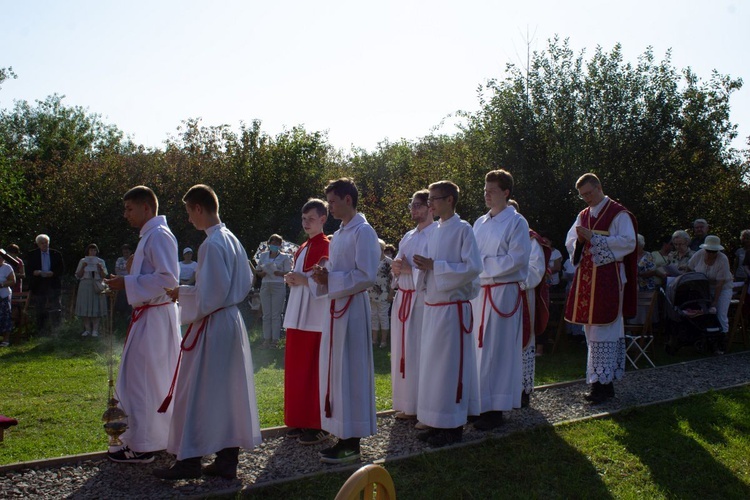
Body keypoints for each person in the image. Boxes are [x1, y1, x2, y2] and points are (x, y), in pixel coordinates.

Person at [154, 184, 262, 480]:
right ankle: (227, 459)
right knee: (226, 391)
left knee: (198, 391)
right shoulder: (232, 239)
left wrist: (182, 293)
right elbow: (245, 279)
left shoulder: (212, 244)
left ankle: (189, 460)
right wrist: (192, 293)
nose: (189, 219)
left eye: (189, 212)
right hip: (229, 321)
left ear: (199, 208)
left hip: (213, 323)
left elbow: (210, 296)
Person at [103, 186, 181, 464]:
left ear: (147, 207)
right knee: (140, 380)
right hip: (148, 316)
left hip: (156, 318)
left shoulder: (159, 235)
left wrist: (126, 283)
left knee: (145, 381)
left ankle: (145, 446)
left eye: (129, 208)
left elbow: (168, 279)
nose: (125, 215)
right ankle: (147, 439)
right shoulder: (149, 236)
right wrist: (128, 277)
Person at [310, 177, 380, 464]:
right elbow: (338, 271)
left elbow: (366, 275)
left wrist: (332, 278)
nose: (330, 206)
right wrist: (322, 276)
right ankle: (341, 433)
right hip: (337, 308)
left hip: (353, 310)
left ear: (348, 200)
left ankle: (352, 441)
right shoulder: (339, 233)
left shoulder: (363, 232)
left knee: (351, 370)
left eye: (333, 201)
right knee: (337, 371)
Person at [413, 180, 482, 447]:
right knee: (432, 368)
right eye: (429, 199)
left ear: (450, 200)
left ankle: (452, 425)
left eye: (435, 199)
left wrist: (435, 266)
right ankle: (435, 420)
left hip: (452, 309)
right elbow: (428, 267)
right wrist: (423, 267)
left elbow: (473, 267)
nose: (430, 204)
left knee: (449, 368)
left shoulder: (464, 230)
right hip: (433, 307)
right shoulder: (433, 231)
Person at [565, 173, 637, 404]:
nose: (586, 199)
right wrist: (580, 241)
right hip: (588, 278)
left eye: (589, 193)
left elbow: (628, 242)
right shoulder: (583, 215)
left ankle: (602, 385)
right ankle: (600, 383)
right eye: (582, 195)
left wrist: (594, 238)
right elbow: (571, 242)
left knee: (605, 330)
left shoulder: (618, 213)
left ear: (599, 188)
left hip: (609, 279)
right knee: (591, 332)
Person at [469, 171, 530, 430]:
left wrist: (480, 267)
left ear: (506, 193)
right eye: (485, 189)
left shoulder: (516, 222)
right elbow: (469, 255)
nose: (486, 193)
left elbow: (516, 259)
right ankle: (478, 404)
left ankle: (495, 408)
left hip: (502, 294)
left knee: (498, 350)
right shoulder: (479, 223)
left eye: (491, 190)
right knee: (478, 350)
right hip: (479, 293)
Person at [282, 198, 330, 445]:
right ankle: (300, 419)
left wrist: (303, 281)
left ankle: (318, 423)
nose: (306, 223)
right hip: (298, 315)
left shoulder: (326, 245)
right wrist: (292, 279)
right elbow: (302, 276)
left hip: (315, 317)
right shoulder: (302, 246)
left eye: (311, 218)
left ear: (323, 219)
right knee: (298, 370)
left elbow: (326, 280)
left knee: (314, 371)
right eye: (303, 219)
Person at [390, 189, 436, 421]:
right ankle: (407, 404)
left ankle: (422, 406)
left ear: (431, 207)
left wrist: (411, 271)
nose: (414, 209)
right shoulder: (407, 236)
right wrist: (396, 269)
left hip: (423, 301)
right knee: (403, 351)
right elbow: (399, 263)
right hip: (404, 299)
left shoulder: (437, 234)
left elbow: (436, 268)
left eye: (418, 205)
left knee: (420, 351)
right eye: (412, 205)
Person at [508, 200, 551, 407]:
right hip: (496, 296)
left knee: (523, 343)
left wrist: (514, 282)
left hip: (522, 295)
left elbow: (536, 269)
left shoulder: (531, 238)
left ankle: (522, 391)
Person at [688, 235, 733, 354]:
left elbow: (720, 283)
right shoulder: (699, 254)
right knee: (702, 311)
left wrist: (714, 302)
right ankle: (706, 339)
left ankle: (721, 342)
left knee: (720, 312)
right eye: (708, 250)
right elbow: (690, 267)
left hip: (722, 288)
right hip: (704, 287)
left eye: (713, 251)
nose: (710, 253)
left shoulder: (722, 259)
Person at [255, 234, 292, 349]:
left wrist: (279, 273)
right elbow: (258, 271)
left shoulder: (285, 257)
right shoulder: (263, 255)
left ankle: (275, 340)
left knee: (276, 314)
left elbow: (288, 272)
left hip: (278, 285)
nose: (274, 245)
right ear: (269, 243)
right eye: (272, 243)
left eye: (277, 243)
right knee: (266, 314)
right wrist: (262, 273)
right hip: (266, 284)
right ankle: (266, 339)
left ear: (280, 245)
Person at [26, 234, 65, 334]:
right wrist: (34, 272)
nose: (44, 245)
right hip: (39, 284)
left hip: (53, 283)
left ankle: (57, 330)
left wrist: (53, 273)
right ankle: (41, 331)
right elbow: (28, 269)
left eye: (46, 243)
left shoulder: (56, 254)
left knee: (56, 307)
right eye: (42, 243)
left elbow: (61, 269)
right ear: (38, 244)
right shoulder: (32, 254)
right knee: (40, 308)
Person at [74, 243, 107, 337]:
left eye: (94, 250)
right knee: (85, 306)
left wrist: (100, 269)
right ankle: (87, 329)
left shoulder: (100, 261)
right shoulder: (83, 260)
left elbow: (104, 275)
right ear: (88, 251)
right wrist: (83, 267)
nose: (93, 252)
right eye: (91, 250)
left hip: (96, 283)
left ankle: (95, 330)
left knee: (96, 306)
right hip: (85, 284)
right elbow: (78, 275)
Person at [369, 239, 393, 348]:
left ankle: (383, 341)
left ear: (382, 249)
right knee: (373, 315)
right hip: (371, 292)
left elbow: (394, 279)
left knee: (383, 316)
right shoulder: (371, 260)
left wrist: (391, 293)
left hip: (384, 292)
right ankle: (374, 340)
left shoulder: (389, 262)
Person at [0, 251, 16, 347]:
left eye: (1, 257)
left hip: (4, 295)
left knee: (5, 316)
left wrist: (2, 284)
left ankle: (6, 339)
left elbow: (12, 281)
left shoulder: (7, 267)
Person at [113, 244, 132, 315]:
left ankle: (129, 312)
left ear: (130, 252)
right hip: (121, 280)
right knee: (121, 296)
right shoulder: (119, 260)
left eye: (127, 252)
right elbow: (117, 270)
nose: (125, 254)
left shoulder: (133, 259)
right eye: (124, 252)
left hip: (130, 281)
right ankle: (120, 312)